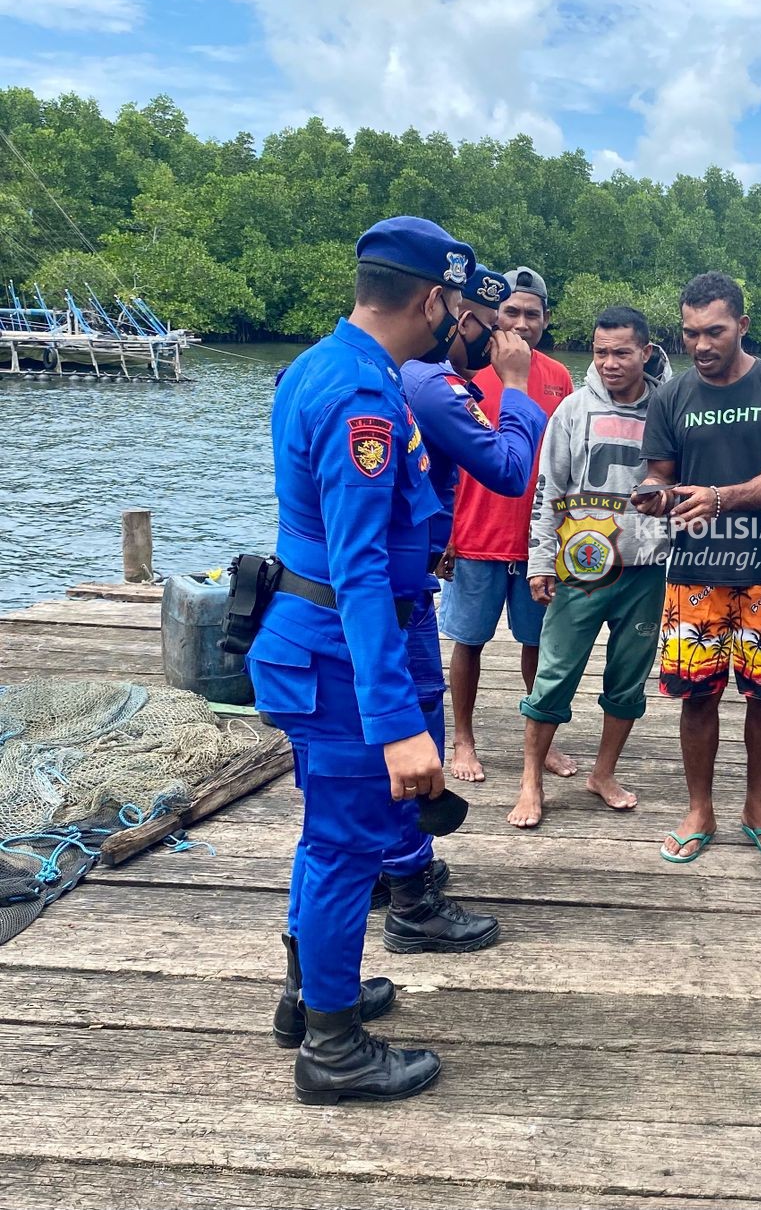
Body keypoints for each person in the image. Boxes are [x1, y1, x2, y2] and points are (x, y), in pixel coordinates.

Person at [250, 216, 472, 1104]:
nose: (455, 314)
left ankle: (310, 995)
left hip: (309, 646)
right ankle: (333, 1051)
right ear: (431, 298)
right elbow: (359, 571)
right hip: (339, 654)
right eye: (454, 300)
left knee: (323, 837)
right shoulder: (363, 401)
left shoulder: (323, 364)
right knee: (345, 849)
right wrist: (397, 727)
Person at [367, 266, 544, 943]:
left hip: (405, 574)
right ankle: (411, 892)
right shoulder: (433, 384)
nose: (503, 337)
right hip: (399, 595)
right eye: (491, 324)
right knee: (416, 724)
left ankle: (392, 864)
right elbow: (506, 468)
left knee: (385, 735)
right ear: (456, 317)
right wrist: (519, 387)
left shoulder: (387, 376)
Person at [635, 272, 761, 863]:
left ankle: (757, 805)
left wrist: (719, 498)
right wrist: (653, 493)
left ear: (742, 324)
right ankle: (700, 808)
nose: (702, 345)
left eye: (714, 331)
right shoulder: (671, 396)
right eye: (690, 334)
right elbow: (659, 473)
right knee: (696, 696)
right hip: (693, 573)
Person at [512, 305, 673, 828]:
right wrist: (540, 562)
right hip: (580, 566)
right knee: (554, 676)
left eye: (622, 352)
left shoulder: (669, 411)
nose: (609, 362)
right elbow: (547, 490)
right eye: (601, 352)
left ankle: (603, 772)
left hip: (646, 568)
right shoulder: (573, 411)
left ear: (646, 353)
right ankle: (531, 779)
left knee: (629, 679)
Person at [440, 265, 575, 783]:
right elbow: (446, 462)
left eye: (532, 314)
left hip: (538, 538)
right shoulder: (466, 369)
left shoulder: (558, 377)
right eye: (511, 311)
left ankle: (539, 742)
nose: (521, 323)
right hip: (475, 534)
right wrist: (446, 537)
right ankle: (464, 740)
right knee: (467, 640)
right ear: (494, 314)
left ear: (545, 320)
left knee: (538, 645)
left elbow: (563, 462)